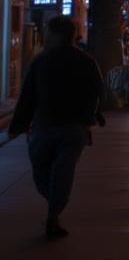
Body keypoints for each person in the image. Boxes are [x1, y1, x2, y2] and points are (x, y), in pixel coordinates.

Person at [8, 16, 104, 239]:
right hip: (74, 128)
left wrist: (18, 125)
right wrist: (91, 118)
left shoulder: (41, 61)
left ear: (55, 35)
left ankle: (53, 204)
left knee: (41, 170)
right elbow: (96, 93)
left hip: (45, 126)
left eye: (48, 32)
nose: (45, 35)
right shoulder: (86, 62)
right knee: (64, 169)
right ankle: (55, 209)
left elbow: (27, 97)